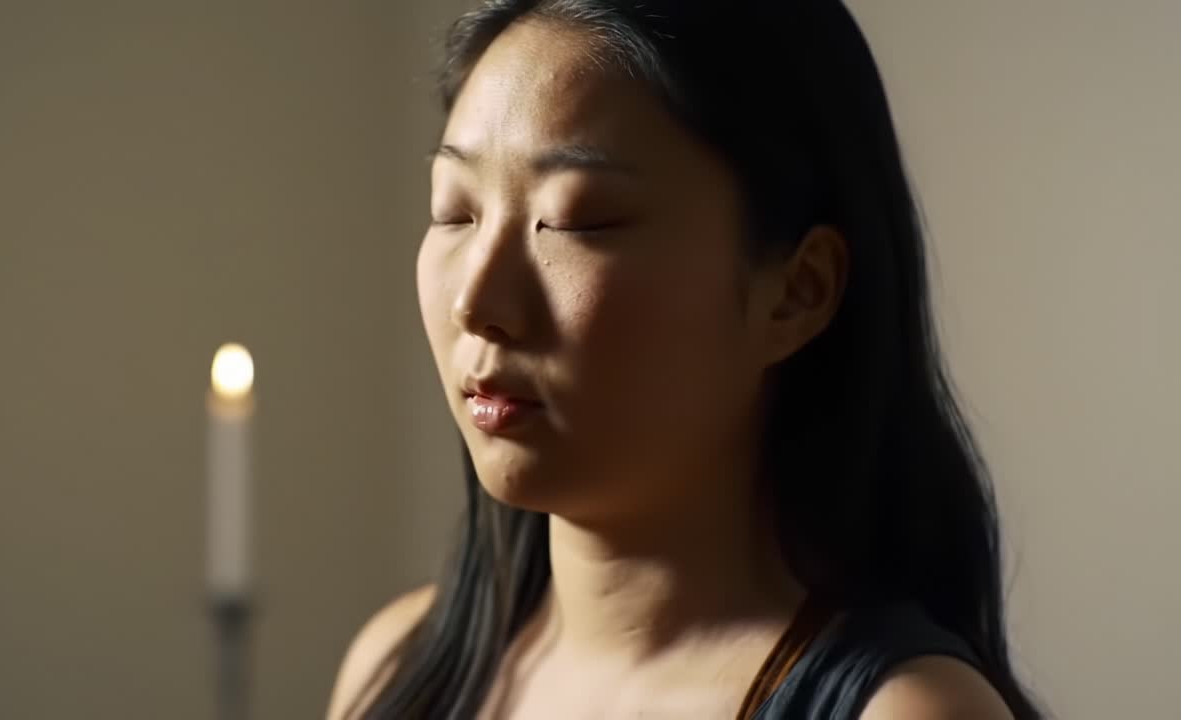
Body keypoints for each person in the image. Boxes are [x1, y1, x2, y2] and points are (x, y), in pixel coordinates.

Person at [328, 1, 1043, 718]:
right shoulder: (398, 666)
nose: (477, 300)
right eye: (455, 211)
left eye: (579, 219)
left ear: (797, 292)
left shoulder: (905, 711)